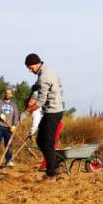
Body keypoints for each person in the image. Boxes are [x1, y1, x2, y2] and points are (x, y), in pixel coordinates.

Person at [24, 53, 64, 182]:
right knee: (41, 141)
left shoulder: (43, 77)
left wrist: (27, 111)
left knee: (47, 143)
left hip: (52, 112)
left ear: (37, 63)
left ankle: (51, 174)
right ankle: (55, 166)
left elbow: (40, 101)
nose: (30, 70)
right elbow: (54, 84)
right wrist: (36, 86)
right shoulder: (48, 71)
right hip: (54, 110)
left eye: (31, 67)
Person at [0, 88, 20, 167]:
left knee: (9, 145)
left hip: (9, 129)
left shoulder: (14, 104)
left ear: (12, 95)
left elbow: (16, 116)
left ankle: (8, 161)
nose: (7, 94)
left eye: (9, 93)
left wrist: (14, 125)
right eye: (6, 93)